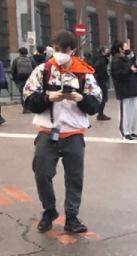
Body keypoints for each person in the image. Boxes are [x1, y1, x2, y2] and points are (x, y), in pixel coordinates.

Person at [23, 31, 102, 233]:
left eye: (64, 50)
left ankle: (72, 217)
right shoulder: (43, 70)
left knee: (74, 177)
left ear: (73, 50)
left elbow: (95, 104)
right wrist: (49, 98)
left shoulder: (84, 73)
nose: (60, 54)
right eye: (57, 50)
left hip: (74, 133)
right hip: (47, 131)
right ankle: (49, 210)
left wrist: (81, 98)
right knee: (42, 173)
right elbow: (29, 99)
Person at [110, 41, 137, 140]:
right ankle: (125, 131)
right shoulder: (116, 60)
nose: (128, 48)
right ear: (120, 48)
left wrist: (136, 70)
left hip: (132, 88)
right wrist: (129, 70)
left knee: (134, 111)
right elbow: (118, 74)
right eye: (125, 46)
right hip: (124, 89)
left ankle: (131, 130)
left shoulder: (127, 59)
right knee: (125, 112)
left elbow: (131, 70)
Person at [10, 47, 36, 113]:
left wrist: (14, 79)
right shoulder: (30, 59)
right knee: (29, 93)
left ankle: (25, 108)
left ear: (19, 52)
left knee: (22, 94)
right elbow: (35, 68)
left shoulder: (16, 60)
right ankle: (29, 107)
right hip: (30, 78)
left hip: (20, 79)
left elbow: (13, 70)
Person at [92, 46, 111, 121]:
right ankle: (100, 114)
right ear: (103, 52)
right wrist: (102, 76)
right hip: (101, 80)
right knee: (103, 97)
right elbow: (97, 67)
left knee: (102, 97)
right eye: (106, 51)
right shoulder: (101, 59)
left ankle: (100, 113)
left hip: (100, 79)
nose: (108, 52)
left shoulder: (100, 58)